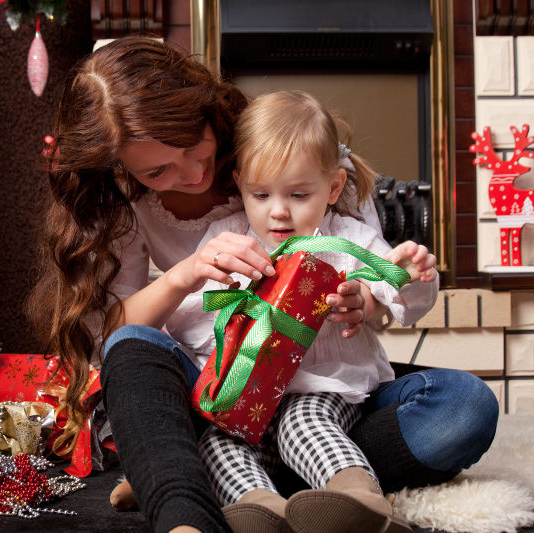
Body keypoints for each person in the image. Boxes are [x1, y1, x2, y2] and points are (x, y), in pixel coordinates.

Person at [26, 36, 499, 533]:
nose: (191, 174)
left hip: (321, 383)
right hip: (224, 387)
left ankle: (204, 474)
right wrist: (188, 273)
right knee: (134, 348)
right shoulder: (130, 204)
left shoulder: (287, 143)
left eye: (193, 145)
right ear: (124, 168)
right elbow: (119, 337)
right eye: (158, 170)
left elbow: (381, 286)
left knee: (463, 406)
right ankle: (199, 507)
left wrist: (369, 304)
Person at [177, 90, 436, 533]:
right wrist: (228, 306)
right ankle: (263, 511)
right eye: (260, 194)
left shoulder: (348, 240)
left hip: (323, 387)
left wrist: (389, 289)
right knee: (217, 445)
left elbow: (402, 298)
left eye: (299, 194)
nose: (278, 211)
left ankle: (361, 503)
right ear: (239, 184)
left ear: (333, 187)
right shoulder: (228, 239)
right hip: (247, 399)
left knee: (303, 423)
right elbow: (185, 320)